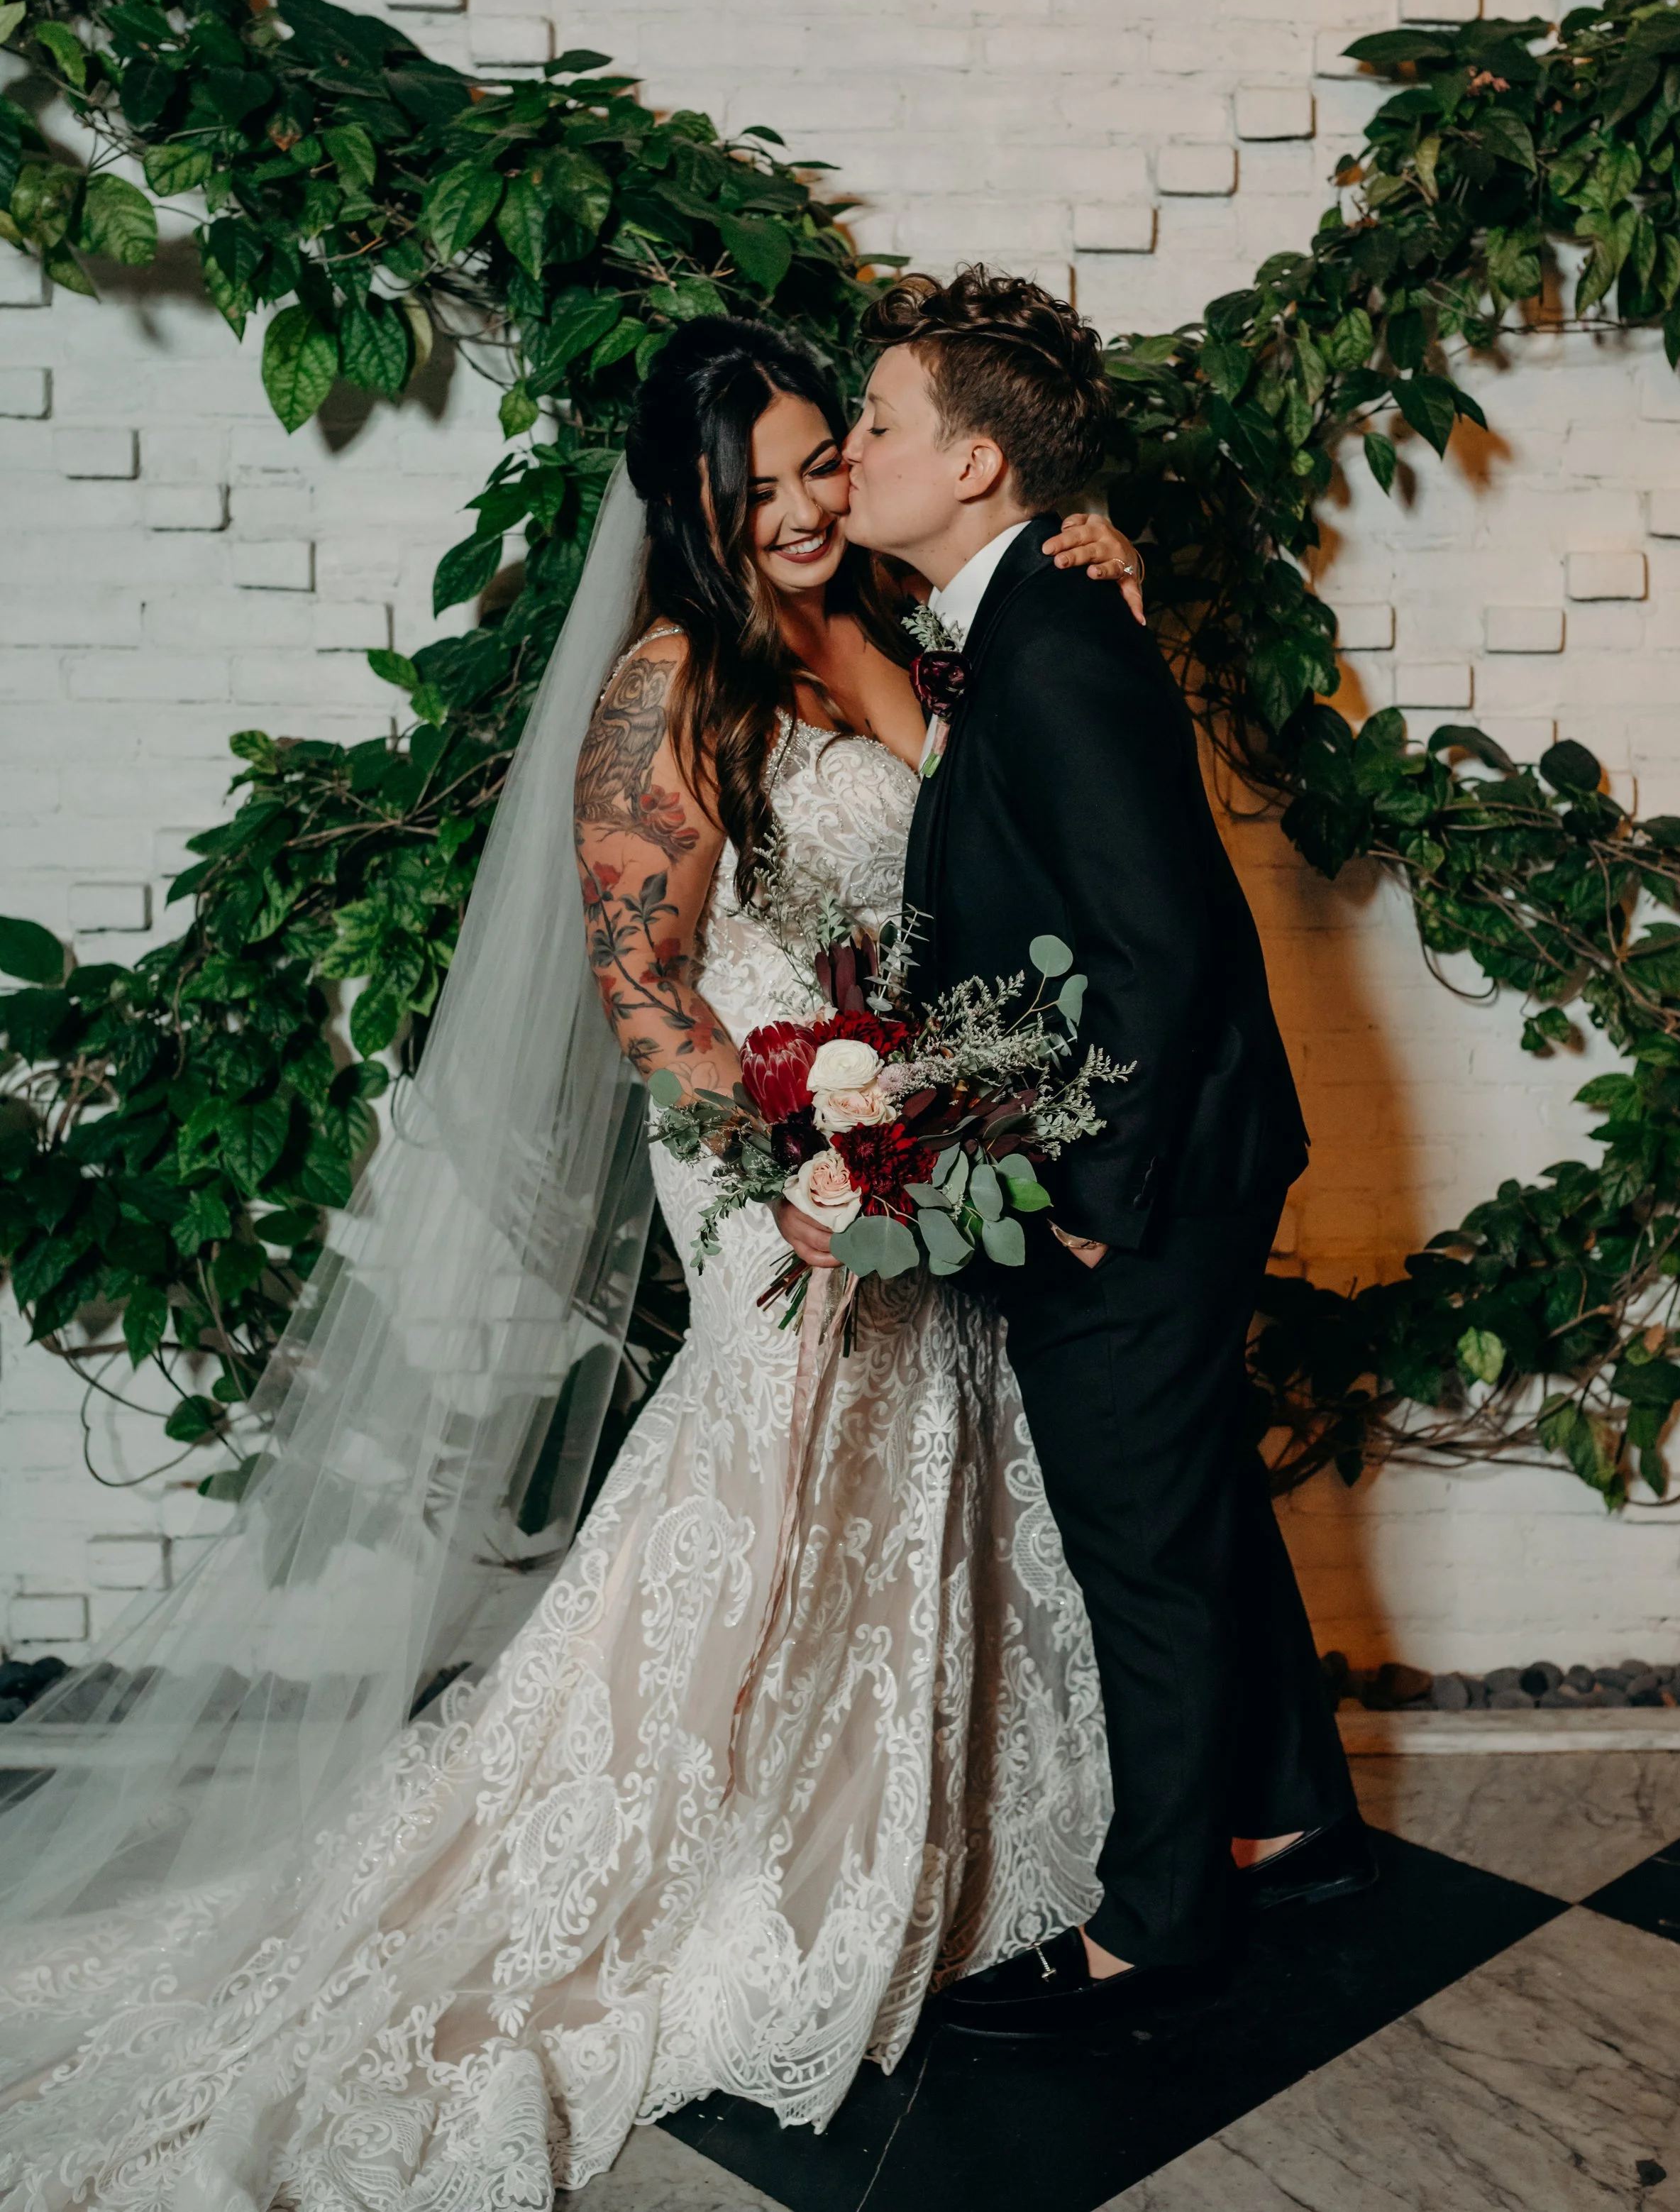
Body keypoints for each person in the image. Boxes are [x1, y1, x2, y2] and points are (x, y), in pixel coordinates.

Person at [0, 314, 1145, 2206]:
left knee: (918, 1455)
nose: (791, 507)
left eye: (812, 463)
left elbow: (1014, 816)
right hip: (773, 1148)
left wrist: (1095, 565)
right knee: (774, 1470)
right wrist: (792, 1151)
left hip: (908, 1127)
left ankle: (905, 1819)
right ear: (684, 506)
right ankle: (677, 1852)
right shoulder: (672, 686)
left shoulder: (909, 628)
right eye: (750, 485)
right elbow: (642, 987)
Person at [800, 267, 1374, 2041]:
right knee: (1186, 1497)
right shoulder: (1026, 619)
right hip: (1165, 1159)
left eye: (876, 428)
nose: (845, 464)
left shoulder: (1047, 645)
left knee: (1137, 1540)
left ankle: (1157, 1924)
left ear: (975, 464)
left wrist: (1100, 1208)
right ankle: (1291, 1820)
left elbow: (1162, 950)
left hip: (1147, 1182)